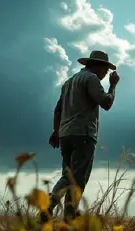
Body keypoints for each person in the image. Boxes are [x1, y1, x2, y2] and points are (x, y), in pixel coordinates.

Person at [44, 50, 120, 221]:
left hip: (65, 134)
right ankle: (67, 216)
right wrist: (113, 86)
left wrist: (56, 131)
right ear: (99, 66)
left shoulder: (69, 82)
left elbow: (58, 110)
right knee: (78, 179)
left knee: (68, 175)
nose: (106, 74)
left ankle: (52, 207)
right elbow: (106, 103)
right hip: (83, 133)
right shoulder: (91, 79)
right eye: (106, 70)